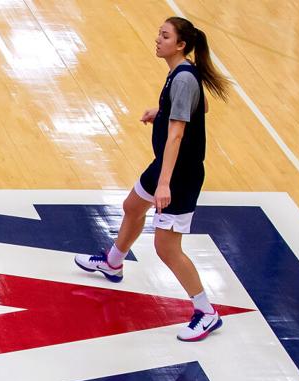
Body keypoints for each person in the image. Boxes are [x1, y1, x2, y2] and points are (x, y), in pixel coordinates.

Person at [75, 17, 231, 342]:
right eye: (159, 33)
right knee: (133, 206)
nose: (157, 39)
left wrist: (164, 183)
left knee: (166, 248)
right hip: (165, 166)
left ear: (181, 45)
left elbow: (177, 135)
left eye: (165, 36)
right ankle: (113, 263)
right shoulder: (181, 72)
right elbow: (195, 109)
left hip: (179, 175)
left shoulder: (184, 78)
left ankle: (206, 312)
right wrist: (160, 113)